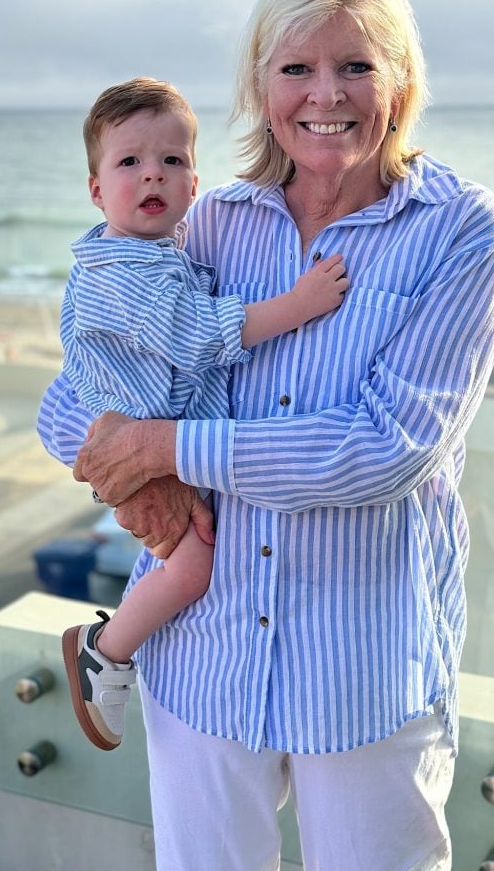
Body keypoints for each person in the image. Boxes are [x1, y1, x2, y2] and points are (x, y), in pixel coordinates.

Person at [39, 0, 494, 870]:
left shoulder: (463, 233)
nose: (325, 95)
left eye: (355, 65)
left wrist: (167, 447)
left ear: (402, 77)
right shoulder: (206, 220)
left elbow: (386, 448)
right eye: (296, 67)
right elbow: (78, 384)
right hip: (203, 663)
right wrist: (118, 463)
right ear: (262, 85)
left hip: (362, 677)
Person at [39, 77, 348, 751]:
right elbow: (198, 336)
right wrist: (297, 306)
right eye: (129, 163)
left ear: (193, 184)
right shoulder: (129, 273)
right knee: (189, 571)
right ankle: (104, 649)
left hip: (156, 449)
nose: (153, 172)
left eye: (171, 162)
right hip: (146, 456)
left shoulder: (152, 253)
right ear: (96, 191)